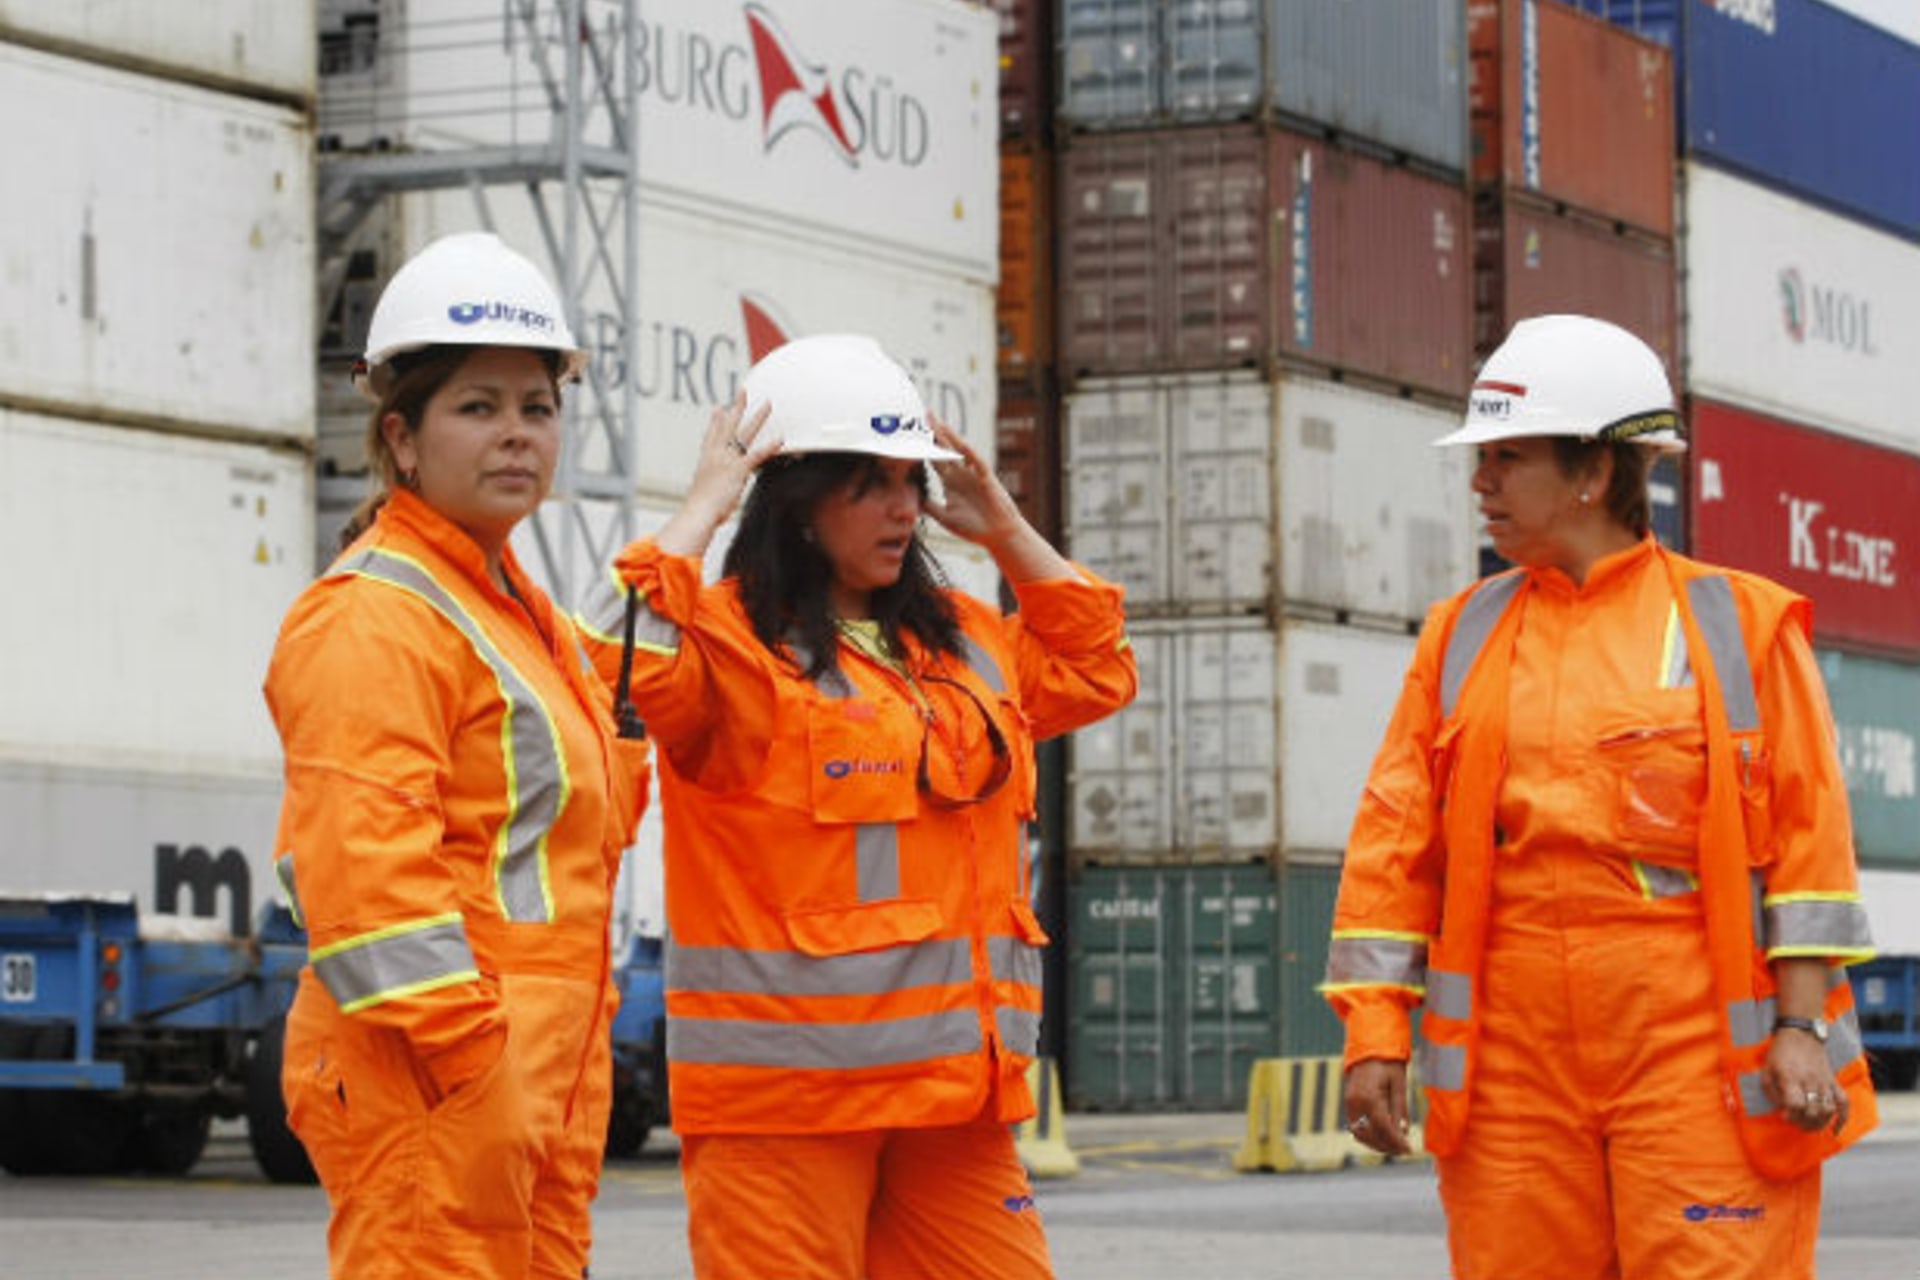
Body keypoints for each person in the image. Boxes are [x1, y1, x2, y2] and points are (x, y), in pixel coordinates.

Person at [1322, 314, 1879, 1280]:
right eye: (1481, 457)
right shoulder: (1462, 634)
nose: (1479, 481)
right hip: (1511, 1072)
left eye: (1508, 457)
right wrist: (1375, 1029)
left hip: (1695, 1060)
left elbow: (1809, 847)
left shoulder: (1737, 624)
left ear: (1595, 471)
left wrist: (1800, 1029)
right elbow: (1394, 845)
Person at [574, 333, 1137, 1280]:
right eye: (869, 483)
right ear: (795, 498)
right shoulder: (727, 645)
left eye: (910, 481)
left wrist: (1002, 524)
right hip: (784, 1111)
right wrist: (702, 511)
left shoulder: (961, 641)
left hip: (952, 1105)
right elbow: (605, 665)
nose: (904, 507)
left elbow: (1097, 667)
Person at [264, 232, 650, 1280]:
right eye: (477, 407)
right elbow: (370, 891)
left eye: (537, 406)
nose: (517, 435)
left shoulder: (524, 619)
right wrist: (482, 1068)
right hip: (441, 1087)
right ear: (402, 436)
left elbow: (597, 811)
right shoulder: (373, 617)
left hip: (532, 1086)